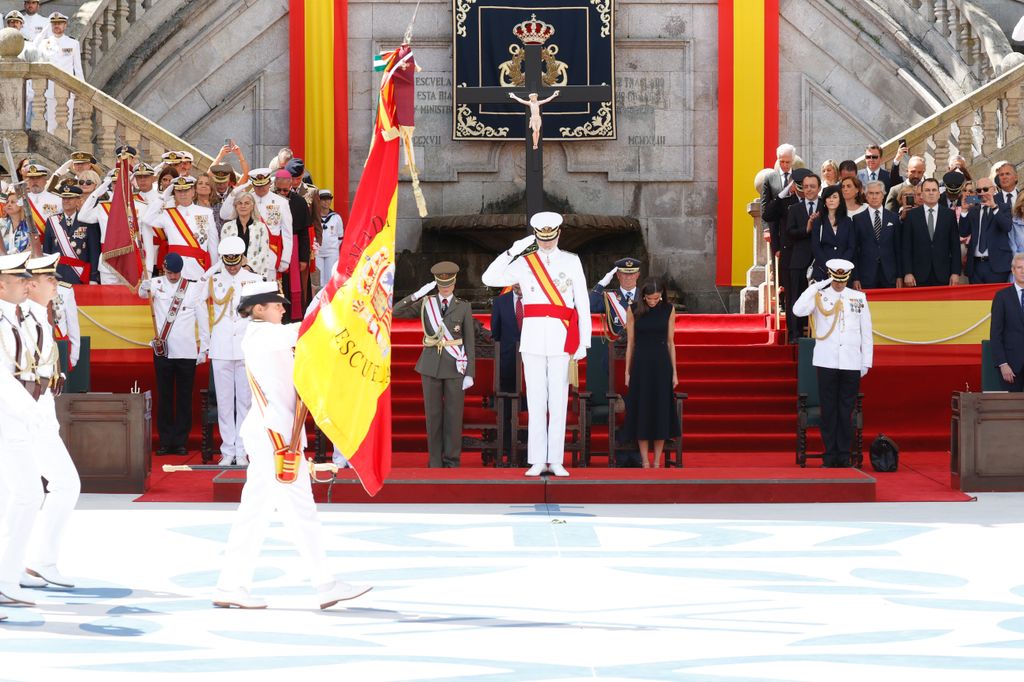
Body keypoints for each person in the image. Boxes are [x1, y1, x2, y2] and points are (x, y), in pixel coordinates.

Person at [213, 280, 371, 610]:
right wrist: (341, 302)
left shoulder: (268, 336)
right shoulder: (261, 335)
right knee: (289, 511)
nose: (283, 308)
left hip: (276, 435)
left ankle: (236, 585)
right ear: (258, 309)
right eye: (276, 304)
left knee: (273, 512)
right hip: (275, 437)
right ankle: (321, 584)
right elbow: (307, 330)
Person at [481, 211, 590, 477]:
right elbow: (489, 278)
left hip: (563, 338)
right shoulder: (524, 262)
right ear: (536, 237)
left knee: (559, 401)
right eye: (541, 238)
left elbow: (583, 304)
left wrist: (583, 341)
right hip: (531, 339)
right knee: (537, 400)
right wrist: (511, 252)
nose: (546, 242)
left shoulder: (571, 261)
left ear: (558, 234)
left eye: (550, 237)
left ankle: (556, 460)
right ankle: (538, 460)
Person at [17, 253, 81, 591]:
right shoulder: (22, 317)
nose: (56, 283)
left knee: (48, 488)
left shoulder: (40, 314)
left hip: (40, 415)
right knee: (27, 493)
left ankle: (36, 560)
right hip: (25, 417)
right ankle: (29, 562)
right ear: (30, 285)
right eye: (50, 279)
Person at [393, 262, 476, 468]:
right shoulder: (426, 303)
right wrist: (416, 295)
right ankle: (435, 461)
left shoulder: (463, 306)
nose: (445, 288)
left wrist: (470, 373)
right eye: (441, 284)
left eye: (448, 284)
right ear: (436, 283)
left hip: (455, 365)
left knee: (454, 416)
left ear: (454, 283)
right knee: (433, 416)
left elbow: (469, 341)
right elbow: (396, 312)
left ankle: (452, 460)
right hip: (430, 365)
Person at [792, 258, 873, 468]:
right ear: (830, 276)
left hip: (851, 362)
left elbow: (867, 334)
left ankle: (843, 455)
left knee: (846, 409)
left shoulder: (858, 298)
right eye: (835, 280)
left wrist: (866, 362)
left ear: (847, 278)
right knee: (829, 409)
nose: (839, 284)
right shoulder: (820, 295)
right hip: (827, 360)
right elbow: (797, 310)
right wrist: (817, 286)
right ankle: (830, 454)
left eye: (842, 280)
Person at [0, 251, 43, 605]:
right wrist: (33, 414)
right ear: (2, 285)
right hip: (9, 417)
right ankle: (7, 577)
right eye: (19, 280)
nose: (27, 286)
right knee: (29, 495)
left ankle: (7, 575)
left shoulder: (19, 317)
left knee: (14, 497)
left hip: (20, 416)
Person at [139, 253, 210, 455]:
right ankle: (165, 441)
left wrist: (204, 348)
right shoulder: (156, 282)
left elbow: (202, 318)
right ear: (164, 269)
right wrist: (144, 288)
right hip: (163, 350)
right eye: (169, 272)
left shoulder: (193, 287)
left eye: (176, 273)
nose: (172, 276)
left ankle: (180, 441)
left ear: (181, 271)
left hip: (187, 352)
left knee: (184, 398)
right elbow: (142, 295)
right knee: (165, 396)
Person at [204, 237, 263, 466]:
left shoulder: (255, 280)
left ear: (241, 259)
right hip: (220, 348)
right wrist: (214, 268)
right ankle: (227, 450)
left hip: (246, 348)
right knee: (225, 403)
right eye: (227, 263)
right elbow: (195, 299)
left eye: (235, 262)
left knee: (245, 403)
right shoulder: (213, 279)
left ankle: (242, 450)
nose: (231, 267)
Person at [622, 277, 679, 469]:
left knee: (661, 410)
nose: (653, 301)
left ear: (661, 294)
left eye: (656, 298)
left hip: (662, 364)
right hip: (641, 365)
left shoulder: (669, 310)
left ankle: (657, 462)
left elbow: (671, 342)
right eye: (649, 298)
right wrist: (627, 373)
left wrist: (675, 373)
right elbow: (631, 343)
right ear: (643, 296)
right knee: (643, 410)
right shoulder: (634, 309)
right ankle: (645, 461)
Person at [220, 169, 292, 281]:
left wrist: (285, 259)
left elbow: (287, 233)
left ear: (269, 183)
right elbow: (224, 214)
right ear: (252, 184)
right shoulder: (246, 199)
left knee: (266, 294)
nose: (261, 188)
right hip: (241, 259)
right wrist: (235, 192)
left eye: (264, 185)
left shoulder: (281, 202)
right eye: (257, 186)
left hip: (270, 255)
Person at [142, 175, 218, 281]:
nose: (182, 194)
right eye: (178, 191)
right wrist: (163, 197)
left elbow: (213, 246)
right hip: (175, 271)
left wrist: (213, 273)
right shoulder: (167, 214)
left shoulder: (206, 213)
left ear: (193, 191)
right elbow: (146, 219)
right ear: (175, 193)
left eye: (186, 190)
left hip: (198, 270)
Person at [902, 178, 961, 287]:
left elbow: (955, 247)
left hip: (944, 274)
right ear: (922, 194)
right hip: (918, 275)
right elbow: (906, 247)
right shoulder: (911, 216)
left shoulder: (949, 215)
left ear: (939, 194)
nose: (931, 193)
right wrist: (908, 272)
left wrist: (955, 272)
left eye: (934, 190)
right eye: (927, 190)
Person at [785, 171, 821, 342]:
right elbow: (789, 232)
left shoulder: (827, 205)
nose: (808, 190)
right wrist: (806, 229)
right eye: (805, 187)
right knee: (796, 298)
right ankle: (795, 334)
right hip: (798, 260)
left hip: (821, 260)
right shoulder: (794, 209)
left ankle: (821, 333)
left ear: (819, 188)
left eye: (812, 186)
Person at [490, 283, 523, 465]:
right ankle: (507, 448)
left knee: (527, 408)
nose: (519, 285)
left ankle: (527, 450)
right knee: (507, 409)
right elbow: (496, 334)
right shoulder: (500, 302)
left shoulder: (537, 299)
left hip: (532, 364)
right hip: (507, 363)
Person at [959, 175, 1013, 284]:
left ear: (993, 189)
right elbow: (964, 232)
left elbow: (1007, 227)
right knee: (976, 301)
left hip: (997, 265)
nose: (982, 192)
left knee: (996, 300)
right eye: (979, 190)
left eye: (985, 189)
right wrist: (964, 211)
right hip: (975, 266)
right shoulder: (973, 210)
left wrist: (994, 207)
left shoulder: (1004, 207)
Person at [34, 12, 82, 134]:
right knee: (50, 124)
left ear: (65, 25)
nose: (57, 26)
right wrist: (44, 31)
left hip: (67, 89)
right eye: (54, 23)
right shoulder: (44, 44)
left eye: (60, 23)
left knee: (67, 125)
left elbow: (78, 69)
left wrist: (80, 90)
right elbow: (35, 50)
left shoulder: (73, 43)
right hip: (49, 89)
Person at [43, 184, 101, 285]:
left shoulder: (87, 221)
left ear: (78, 201)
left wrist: (93, 277)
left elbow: (94, 252)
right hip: (58, 274)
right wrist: (47, 274)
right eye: (64, 198)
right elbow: (47, 251)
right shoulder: (52, 221)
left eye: (70, 198)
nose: (66, 201)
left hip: (79, 274)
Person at [852, 180, 902, 289]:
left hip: (890, 274)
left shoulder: (893, 218)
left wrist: (899, 275)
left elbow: (898, 248)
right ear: (866, 196)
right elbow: (854, 250)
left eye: (877, 193)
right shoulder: (857, 219)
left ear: (883, 195)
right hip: (866, 275)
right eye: (871, 193)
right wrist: (856, 278)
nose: (874, 196)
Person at [219, 190, 274, 282]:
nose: (243, 206)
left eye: (247, 203)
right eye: (239, 203)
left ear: (252, 206)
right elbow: (222, 252)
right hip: (231, 274)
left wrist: (248, 267)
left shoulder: (261, 227)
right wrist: (235, 268)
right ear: (235, 206)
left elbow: (264, 253)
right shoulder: (227, 227)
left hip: (254, 274)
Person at [989, 253, 1024, 392]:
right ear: (1013, 270)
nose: (1023, 271)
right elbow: (996, 333)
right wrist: (1002, 364)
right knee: (1012, 411)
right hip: (1011, 366)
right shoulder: (1002, 297)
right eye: (1019, 267)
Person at [810, 184, 855, 281]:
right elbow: (816, 247)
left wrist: (841, 266)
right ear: (824, 201)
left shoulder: (848, 221)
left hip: (844, 272)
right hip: (822, 271)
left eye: (834, 197)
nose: (831, 200)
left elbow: (851, 247)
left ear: (840, 200)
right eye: (828, 197)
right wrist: (828, 267)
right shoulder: (818, 221)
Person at [760, 143, 797, 257]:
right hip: (776, 227)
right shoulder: (769, 178)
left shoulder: (799, 177)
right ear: (777, 159)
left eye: (788, 162)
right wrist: (766, 229)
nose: (785, 165)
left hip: (795, 226)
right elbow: (764, 204)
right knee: (777, 263)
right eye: (782, 161)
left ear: (793, 160)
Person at [316, 189, 342, 287]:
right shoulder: (314, 217)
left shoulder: (336, 218)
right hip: (318, 253)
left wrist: (332, 247)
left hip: (332, 253)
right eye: (323, 199)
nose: (326, 202)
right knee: (319, 281)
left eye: (329, 199)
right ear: (318, 201)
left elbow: (340, 237)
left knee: (331, 278)